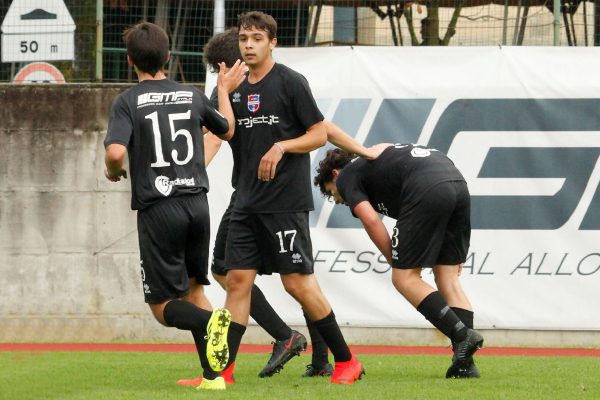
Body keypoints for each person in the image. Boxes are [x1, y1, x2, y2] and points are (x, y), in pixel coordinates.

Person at [208, 12, 365, 386]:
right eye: (244, 38)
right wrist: (224, 93)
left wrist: (281, 146)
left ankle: (346, 361)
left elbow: (317, 133)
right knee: (237, 281)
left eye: (257, 38)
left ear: (272, 43)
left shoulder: (291, 83)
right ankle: (221, 374)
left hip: (284, 203)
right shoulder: (233, 88)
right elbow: (227, 132)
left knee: (297, 284)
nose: (248, 45)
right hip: (245, 202)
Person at [103, 22, 246, 391]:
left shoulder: (127, 101)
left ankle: (208, 323)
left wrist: (113, 172)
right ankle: (213, 378)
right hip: (197, 205)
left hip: (159, 209)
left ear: (130, 60)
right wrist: (224, 91)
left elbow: (116, 152)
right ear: (168, 56)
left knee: (162, 307)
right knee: (196, 292)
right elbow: (226, 129)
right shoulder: (192, 95)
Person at [314, 144, 484, 378]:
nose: (339, 200)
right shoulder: (374, 159)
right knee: (448, 277)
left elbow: (371, 220)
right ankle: (465, 365)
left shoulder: (347, 176)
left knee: (404, 279)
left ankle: (462, 335)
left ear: (335, 174)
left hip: (425, 187)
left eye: (333, 193)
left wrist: (396, 261)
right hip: (456, 185)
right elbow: (385, 146)